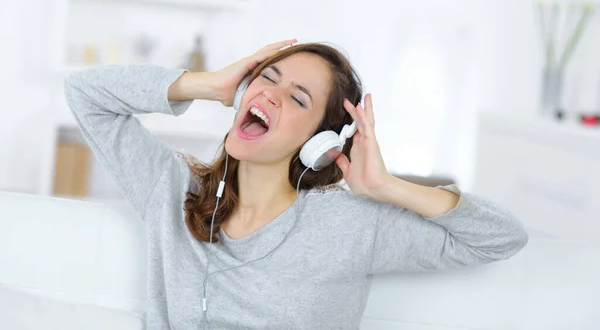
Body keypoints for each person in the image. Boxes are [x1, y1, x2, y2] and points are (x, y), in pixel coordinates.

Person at [64, 39, 528, 330]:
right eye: (267, 78)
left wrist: (388, 187)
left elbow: (501, 237)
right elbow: (85, 94)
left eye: (297, 98)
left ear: (318, 142)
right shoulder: (172, 190)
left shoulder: (350, 227)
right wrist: (209, 85)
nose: (271, 94)